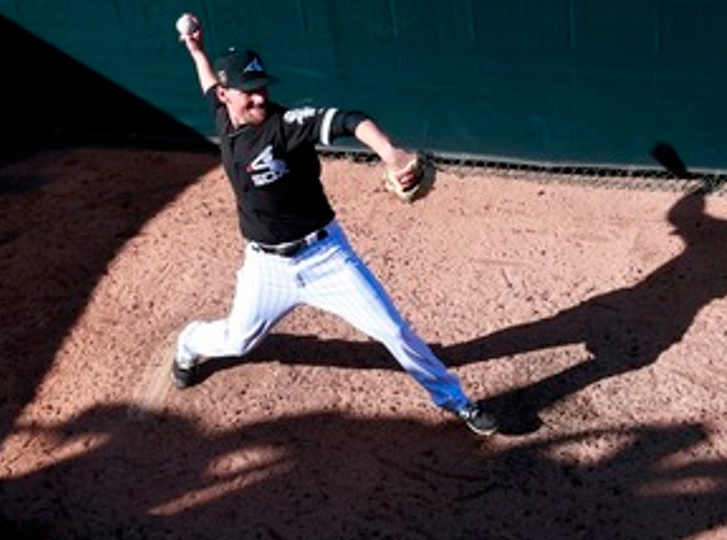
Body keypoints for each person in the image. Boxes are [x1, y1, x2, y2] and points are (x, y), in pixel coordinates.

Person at [169, 15, 497, 436]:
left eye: (262, 88)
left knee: (393, 331)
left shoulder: (285, 125)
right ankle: (189, 343)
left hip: (325, 257)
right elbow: (207, 82)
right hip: (266, 267)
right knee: (237, 341)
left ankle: (457, 401)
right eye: (248, 92)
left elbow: (349, 120)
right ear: (225, 95)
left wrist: (390, 154)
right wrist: (196, 49)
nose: (259, 98)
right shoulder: (222, 114)